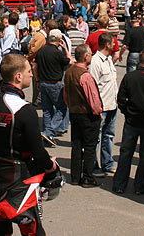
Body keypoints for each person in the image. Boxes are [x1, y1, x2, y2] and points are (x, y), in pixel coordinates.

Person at [0, 53, 59, 236]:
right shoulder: (25, 109)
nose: (32, 74)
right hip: (20, 177)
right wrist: (51, 167)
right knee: (32, 229)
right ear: (18, 76)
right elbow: (38, 152)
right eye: (29, 71)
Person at [112, 49, 144, 195]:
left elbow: (121, 99)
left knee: (126, 153)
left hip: (132, 121)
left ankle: (120, 184)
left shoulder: (129, 77)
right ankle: (140, 186)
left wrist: (127, 112)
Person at [64, 44, 102, 187]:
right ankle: (87, 177)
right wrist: (98, 112)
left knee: (77, 144)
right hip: (87, 114)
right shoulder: (85, 76)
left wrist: (71, 106)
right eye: (90, 54)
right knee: (90, 146)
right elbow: (92, 98)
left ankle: (75, 176)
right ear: (86, 56)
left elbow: (66, 94)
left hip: (74, 112)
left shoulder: (69, 72)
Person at [89, 32, 119, 177]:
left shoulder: (108, 60)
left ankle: (107, 163)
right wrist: (96, 107)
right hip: (102, 107)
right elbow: (92, 87)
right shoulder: (96, 62)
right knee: (96, 137)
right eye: (113, 43)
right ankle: (94, 166)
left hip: (112, 105)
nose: (114, 45)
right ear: (107, 45)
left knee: (109, 136)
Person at [36, 30, 72, 147]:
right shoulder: (57, 53)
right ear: (58, 41)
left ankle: (48, 135)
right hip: (55, 84)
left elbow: (35, 66)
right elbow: (69, 61)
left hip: (43, 83)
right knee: (62, 108)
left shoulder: (41, 51)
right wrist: (65, 48)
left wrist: (37, 80)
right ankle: (49, 132)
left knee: (47, 110)